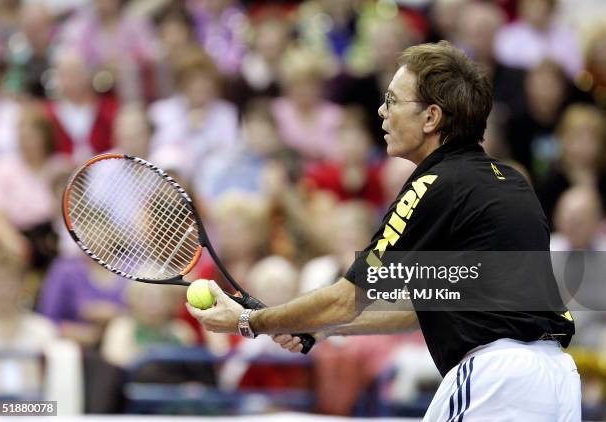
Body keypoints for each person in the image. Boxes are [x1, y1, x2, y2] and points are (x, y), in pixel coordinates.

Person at [187, 41, 580, 420]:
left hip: (498, 380)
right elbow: (422, 307)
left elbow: (347, 298)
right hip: (556, 382)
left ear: (431, 117)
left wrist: (250, 322)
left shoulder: (436, 184)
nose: (380, 111)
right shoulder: (509, 182)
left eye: (392, 100)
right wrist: (320, 329)